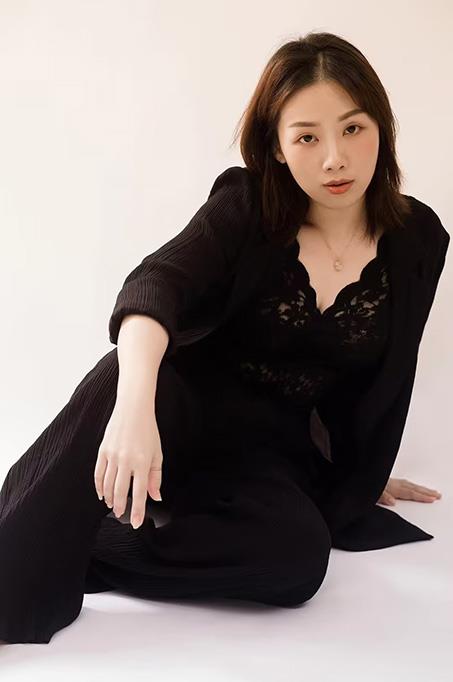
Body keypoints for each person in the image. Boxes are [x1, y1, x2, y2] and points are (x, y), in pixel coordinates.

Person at [0, 31, 448, 645]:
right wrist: (135, 411)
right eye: (307, 137)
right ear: (278, 147)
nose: (334, 159)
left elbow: (383, 377)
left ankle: (91, 545)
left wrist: (360, 475)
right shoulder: (245, 204)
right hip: (174, 413)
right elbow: (156, 282)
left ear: (382, 128)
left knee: (296, 563)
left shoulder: (418, 240)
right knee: (122, 377)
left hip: (269, 452)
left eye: (353, 129)